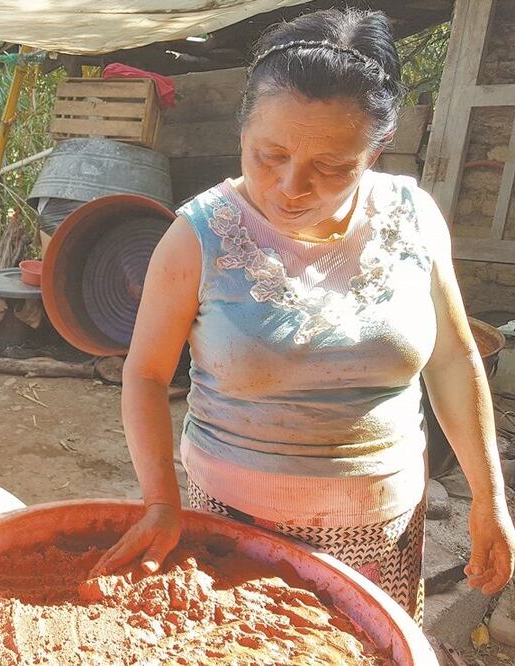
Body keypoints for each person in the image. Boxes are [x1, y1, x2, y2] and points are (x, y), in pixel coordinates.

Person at [94, 8, 515, 624]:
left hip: (383, 528)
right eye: (269, 154)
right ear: (243, 131)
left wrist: (489, 497)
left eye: (332, 168)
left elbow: (451, 358)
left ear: (375, 153)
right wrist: (160, 502)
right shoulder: (199, 235)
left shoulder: (413, 215)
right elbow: (146, 375)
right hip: (235, 520)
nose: (291, 186)